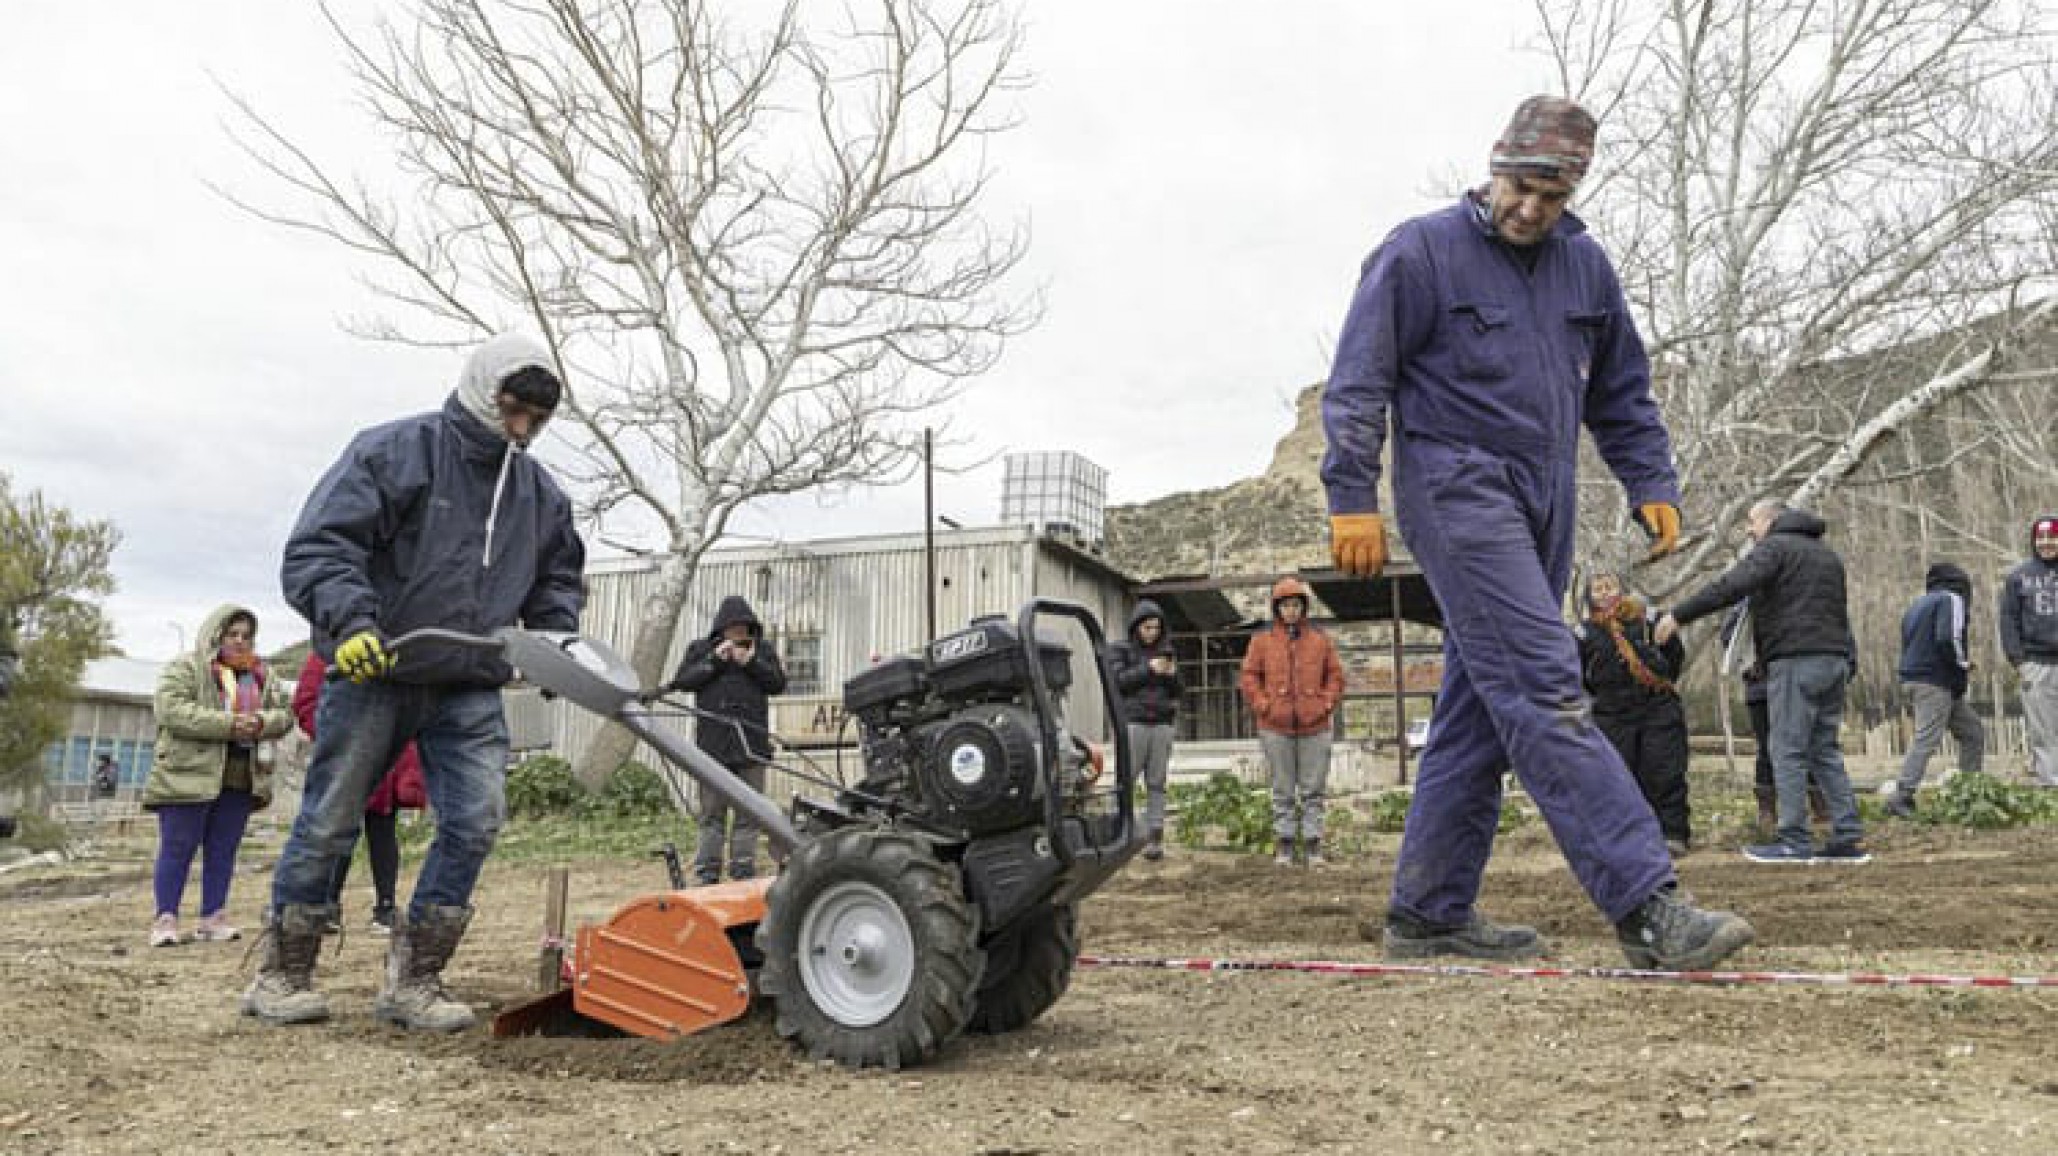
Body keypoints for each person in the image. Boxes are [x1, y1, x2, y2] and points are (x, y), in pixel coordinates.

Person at [1321, 94, 1753, 969]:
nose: (1530, 209)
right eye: (1520, 187)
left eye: (1551, 199)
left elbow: (1623, 391)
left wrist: (1652, 481)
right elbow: (1358, 381)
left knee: (1481, 703)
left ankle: (1430, 913)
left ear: (1574, 194)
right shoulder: (1420, 252)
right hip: (1455, 483)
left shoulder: (1585, 270)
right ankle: (1648, 906)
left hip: (1544, 492)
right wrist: (1350, 493)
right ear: (1494, 166)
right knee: (1545, 680)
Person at [248, 332, 585, 1030]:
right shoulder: (396, 452)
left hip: (470, 680)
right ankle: (282, 973)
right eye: (513, 410)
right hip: (379, 668)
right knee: (332, 818)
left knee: (477, 818)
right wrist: (355, 623)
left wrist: (554, 645)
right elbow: (322, 547)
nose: (521, 430)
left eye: (537, 420)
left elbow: (557, 581)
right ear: (483, 390)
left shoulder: (539, 496)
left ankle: (416, 979)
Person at [1659, 500, 1867, 863]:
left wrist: (1679, 615)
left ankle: (1794, 840)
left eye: (1752, 523)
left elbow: (1731, 586)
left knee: (1785, 749)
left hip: (1794, 661)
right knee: (1825, 750)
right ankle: (1848, 836)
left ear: (1770, 521)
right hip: (1833, 660)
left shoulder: (1774, 549)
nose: (1748, 531)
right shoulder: (1826, 556)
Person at [143, 605, 293, 947]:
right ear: (216, 634)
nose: (240, 642)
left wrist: (260, 723)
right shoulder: (185, 668)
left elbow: (285, 715)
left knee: (223, 850)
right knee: (177, 847)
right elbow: (171, 711)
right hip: (187, 774)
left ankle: (213, 917)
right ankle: (165, 918)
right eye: (232, 634)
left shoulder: (262, 676)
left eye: (246, 636)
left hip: (240, 776)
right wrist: (228, 724)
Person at [293, 654, 427, 934]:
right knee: (338, 834)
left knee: (382, 834)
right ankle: (329, 904)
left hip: (385, 761)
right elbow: (306, 704)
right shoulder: (326, 653)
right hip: (346, 759)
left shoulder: (397, 649)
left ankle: (385, 906)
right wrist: (335, 737)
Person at [658, 595, 787, 884]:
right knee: (712, 814)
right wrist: (715, 661)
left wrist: (751, 662)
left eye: (744, 628)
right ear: (722, 629)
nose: (739, 634)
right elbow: (684, 681)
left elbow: (777, 684)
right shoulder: (701, 650)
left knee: (750, 814)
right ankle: (708, 871)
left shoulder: (762, 651)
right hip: (713, 748)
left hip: (751, 747)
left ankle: (742, 869)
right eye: (733, 628)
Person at [1577, 570, 1691, 855]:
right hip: (1611, 712)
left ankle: (1672, 833)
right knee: (1617, 775)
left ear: (1622, 590)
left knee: (1664, 769)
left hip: (1657, 706)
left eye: (1610, 587)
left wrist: (1657, 678)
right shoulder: (1583, 633)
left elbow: (1675, 654)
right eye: (1598, 589)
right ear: (1589, 597)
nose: (1605, 594)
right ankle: (1624, 838)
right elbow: (1577, 674)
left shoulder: (1647, 619)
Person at [1237, 577, 1344, 868]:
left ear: (1304, 607)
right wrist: (1263, 705)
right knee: (1282, 789)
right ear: (1277, 609)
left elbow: (1335, 676)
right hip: (1275, 727)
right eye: (1285, 605)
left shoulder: (1320, 641)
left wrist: (1325, 704)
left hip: (1315, 726)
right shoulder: (1261, 642)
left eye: (1296, 605)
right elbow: (1249, 676)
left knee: (1313, 790)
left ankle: (1313, 846)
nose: (1291, 611)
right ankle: (1284, 845)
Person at [1720, 602, 1830, 838]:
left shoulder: (1793, 601)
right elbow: (1730, 639)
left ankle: (1819, 805)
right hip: (1760, 689)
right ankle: (1767, 810)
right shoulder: (1745, 607)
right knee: (1767, 748)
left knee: (1803, 742)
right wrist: (1749, 660)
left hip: (1791, 685)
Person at [1888, 564, 1984, 816]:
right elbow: (1947, 637)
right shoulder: (1951, 599)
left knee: (1972, 731)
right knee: (1927, 738)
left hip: (1920, 679)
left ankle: (1969, 790)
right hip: (1934, 680)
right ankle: (1902, 795)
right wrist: (1962, 663)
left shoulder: (1918, 604)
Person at [1109, 599, 1184, 861]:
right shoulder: (1121, 650)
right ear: (1137, 626)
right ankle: (1120, 832)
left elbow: (1178, 691)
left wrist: (1172, 674)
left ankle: (1155, 836)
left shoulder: (1168, 652)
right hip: (1134, 722)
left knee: (1157, 782)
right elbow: (1118, 682)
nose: (1152, 632)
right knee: (1125, 780)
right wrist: (1148, 669)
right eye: (1147, 627)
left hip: (1162, 723)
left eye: (1156, 627)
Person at [1998, 515, 2058, 788]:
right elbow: (2008, 619)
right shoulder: (2018, 577)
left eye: (2052, 537)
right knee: (2042, 728)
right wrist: (2018, 660)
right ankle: (2050, 783)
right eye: (2041, 538)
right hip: (2035, 662)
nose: (2046, 543)